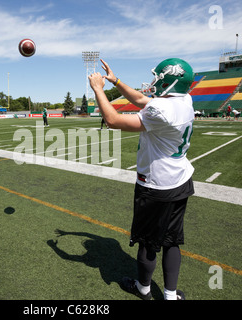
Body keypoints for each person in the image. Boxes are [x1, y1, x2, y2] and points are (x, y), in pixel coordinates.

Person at [89, 58, 195, 300]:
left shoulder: (162, 110)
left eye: (159, 78)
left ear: (170, 82)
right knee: (171, 240)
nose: (155, 81)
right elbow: (140, 99)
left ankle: (143, 288)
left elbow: (114, 121)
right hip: (180, 179)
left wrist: (98, 89)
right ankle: (170, 295)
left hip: (156, 185)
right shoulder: (185, 100)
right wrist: (115, 80)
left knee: (148, 243)